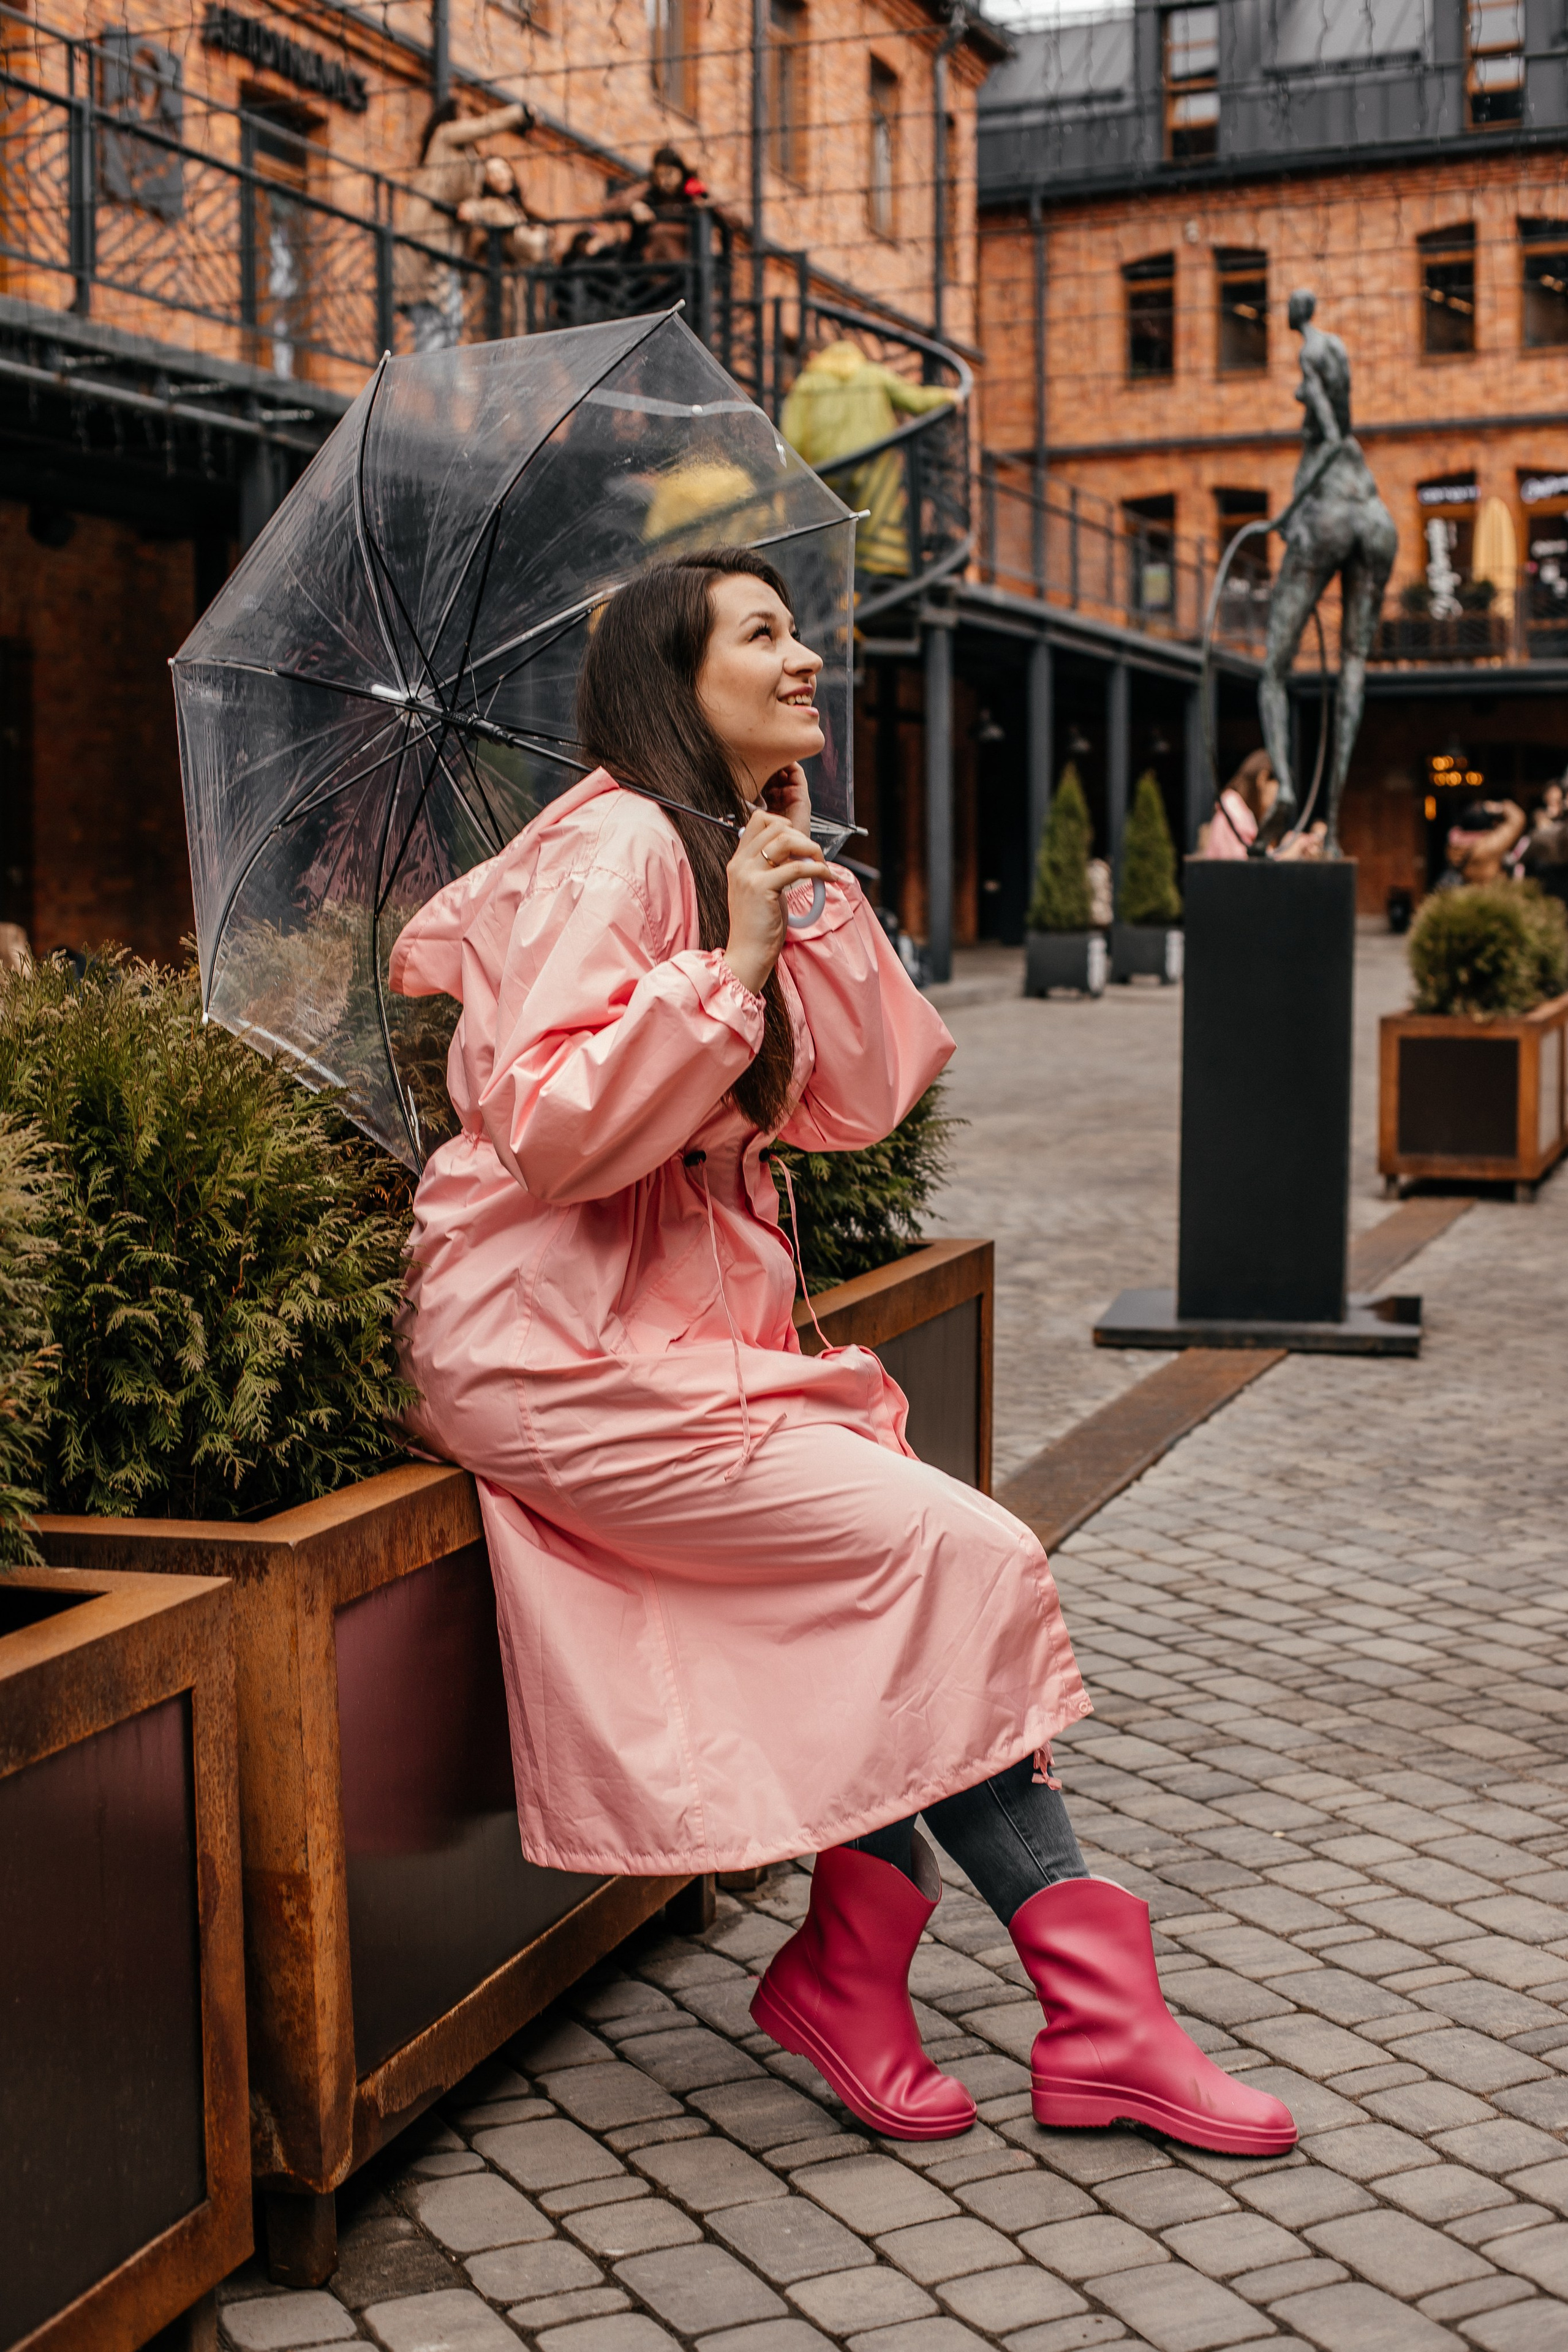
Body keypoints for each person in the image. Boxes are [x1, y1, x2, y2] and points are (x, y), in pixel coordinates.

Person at [389, 546, 1295, 2158]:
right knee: (956, 1554)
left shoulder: (727, 847)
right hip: (549, 1346)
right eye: (763, 634)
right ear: (677, 683)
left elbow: (857, 1102)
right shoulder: (613, 846)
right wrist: (729, 966)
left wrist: (801, 910)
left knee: (886, 1593)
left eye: (797, 629)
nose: (805, 655)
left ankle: (861, 1983)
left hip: (672, 1338)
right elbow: (547, 1130)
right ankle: (1091, 2018)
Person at [782, 341, 961, 578]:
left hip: (826, 468)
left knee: (834, 527)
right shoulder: (873, 374)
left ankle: (843, 578)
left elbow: (791, 436)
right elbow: (915, 399)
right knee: (878, 523)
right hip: (874, 462)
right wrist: (949, 396)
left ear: (816, 356)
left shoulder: (807, 383)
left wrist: (789, 480)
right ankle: (883, 571)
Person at [396, 97, 534, 352]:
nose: (470, 119)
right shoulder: (446, 135)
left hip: (447, 245)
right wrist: (521, 113)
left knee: (449, 322)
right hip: (428, 239)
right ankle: (434, 371)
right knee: (434, 318)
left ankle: (442, 372)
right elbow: (486, 126)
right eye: (465, 114)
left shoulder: (467, 155)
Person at [1199, 748, 1325, 861]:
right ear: (1263, 779)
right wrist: (1286, 855)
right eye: (1282, 787)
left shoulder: (1244, 821)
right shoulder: (1230, 816)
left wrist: (1289, 844)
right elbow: (1244, 874)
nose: (1286, 797)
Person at [1441, 797, 1526, 888]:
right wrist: (1496, 807)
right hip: (1490, 893)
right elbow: (1517, 818)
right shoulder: (1490, 844)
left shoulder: (1453, 845)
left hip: (1467, 894)